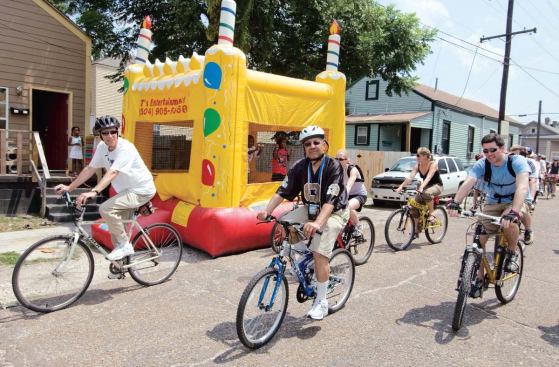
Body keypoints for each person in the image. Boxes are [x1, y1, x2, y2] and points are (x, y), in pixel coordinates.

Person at [257, 125, 349, 320]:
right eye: (308, 144)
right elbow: (282, 191)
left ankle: (321, 302)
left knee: (320, 252)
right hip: (311, 209)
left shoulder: (334, 166)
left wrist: (317, 224)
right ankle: (306, 256)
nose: (312, 146)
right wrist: (267, 211)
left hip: (334, 212)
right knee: (283, 222)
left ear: (325, 145)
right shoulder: (300, 166)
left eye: (317, 142)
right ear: (304, 148)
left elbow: (331, 201)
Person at [55, 116, 156, 261]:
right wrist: (70, 187)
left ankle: (125, 246)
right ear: (100, 135)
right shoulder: (102, 148)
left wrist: (94, 191)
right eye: (105, 133)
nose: (110, 136)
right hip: (125, 191)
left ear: (117, 132)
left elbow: (113, 172)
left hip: (141, 189)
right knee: (117, 228)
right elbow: (90, 168)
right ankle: (121, 262)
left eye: (113, 132)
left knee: (106, 209)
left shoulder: (126, 148)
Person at [447, 133, 529, 297]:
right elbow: (469, 182)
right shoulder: (483, 163)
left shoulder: (517, 162)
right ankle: (478, 279)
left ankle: (512, 254)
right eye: (485, 151)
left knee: (510, 223)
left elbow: (522, 187)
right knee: (479, 239)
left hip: (513, 201)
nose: (489, 154)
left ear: (503, 148)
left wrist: (514, 212)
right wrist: (456, 202)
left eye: (493, 149)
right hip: (492, 202)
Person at [396, 147, 443, 236]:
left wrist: (421, 187)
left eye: (418, 155)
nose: (416, 157)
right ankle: (417, 230)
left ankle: (432, 213)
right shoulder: (418, 165)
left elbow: (429, 177)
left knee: (427, 193)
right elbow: (410, 177)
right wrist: (401, 186)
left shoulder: (433, 164)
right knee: (414, 206)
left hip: (437, 186)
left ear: (425, 156)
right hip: (425, 186)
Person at [335, 150, 367, 235]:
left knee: (347, 206)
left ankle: (358, 226)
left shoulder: (353, 170)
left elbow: (349, 185)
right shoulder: (335, 170)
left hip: (359, 195)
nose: (338, 161)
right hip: (346, 195)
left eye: (341, 159)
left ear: (347, 160)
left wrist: (343, 195)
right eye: (336, 159)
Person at [509, 145, 535, 245]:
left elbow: (532, 181)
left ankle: (528, 230)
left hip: (524, 192)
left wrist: (530, 199)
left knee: (523, 209)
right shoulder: (507, 161)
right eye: (512, 153)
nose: (513, 156)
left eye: (515, 154)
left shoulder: (529, 163)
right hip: (508, 193)